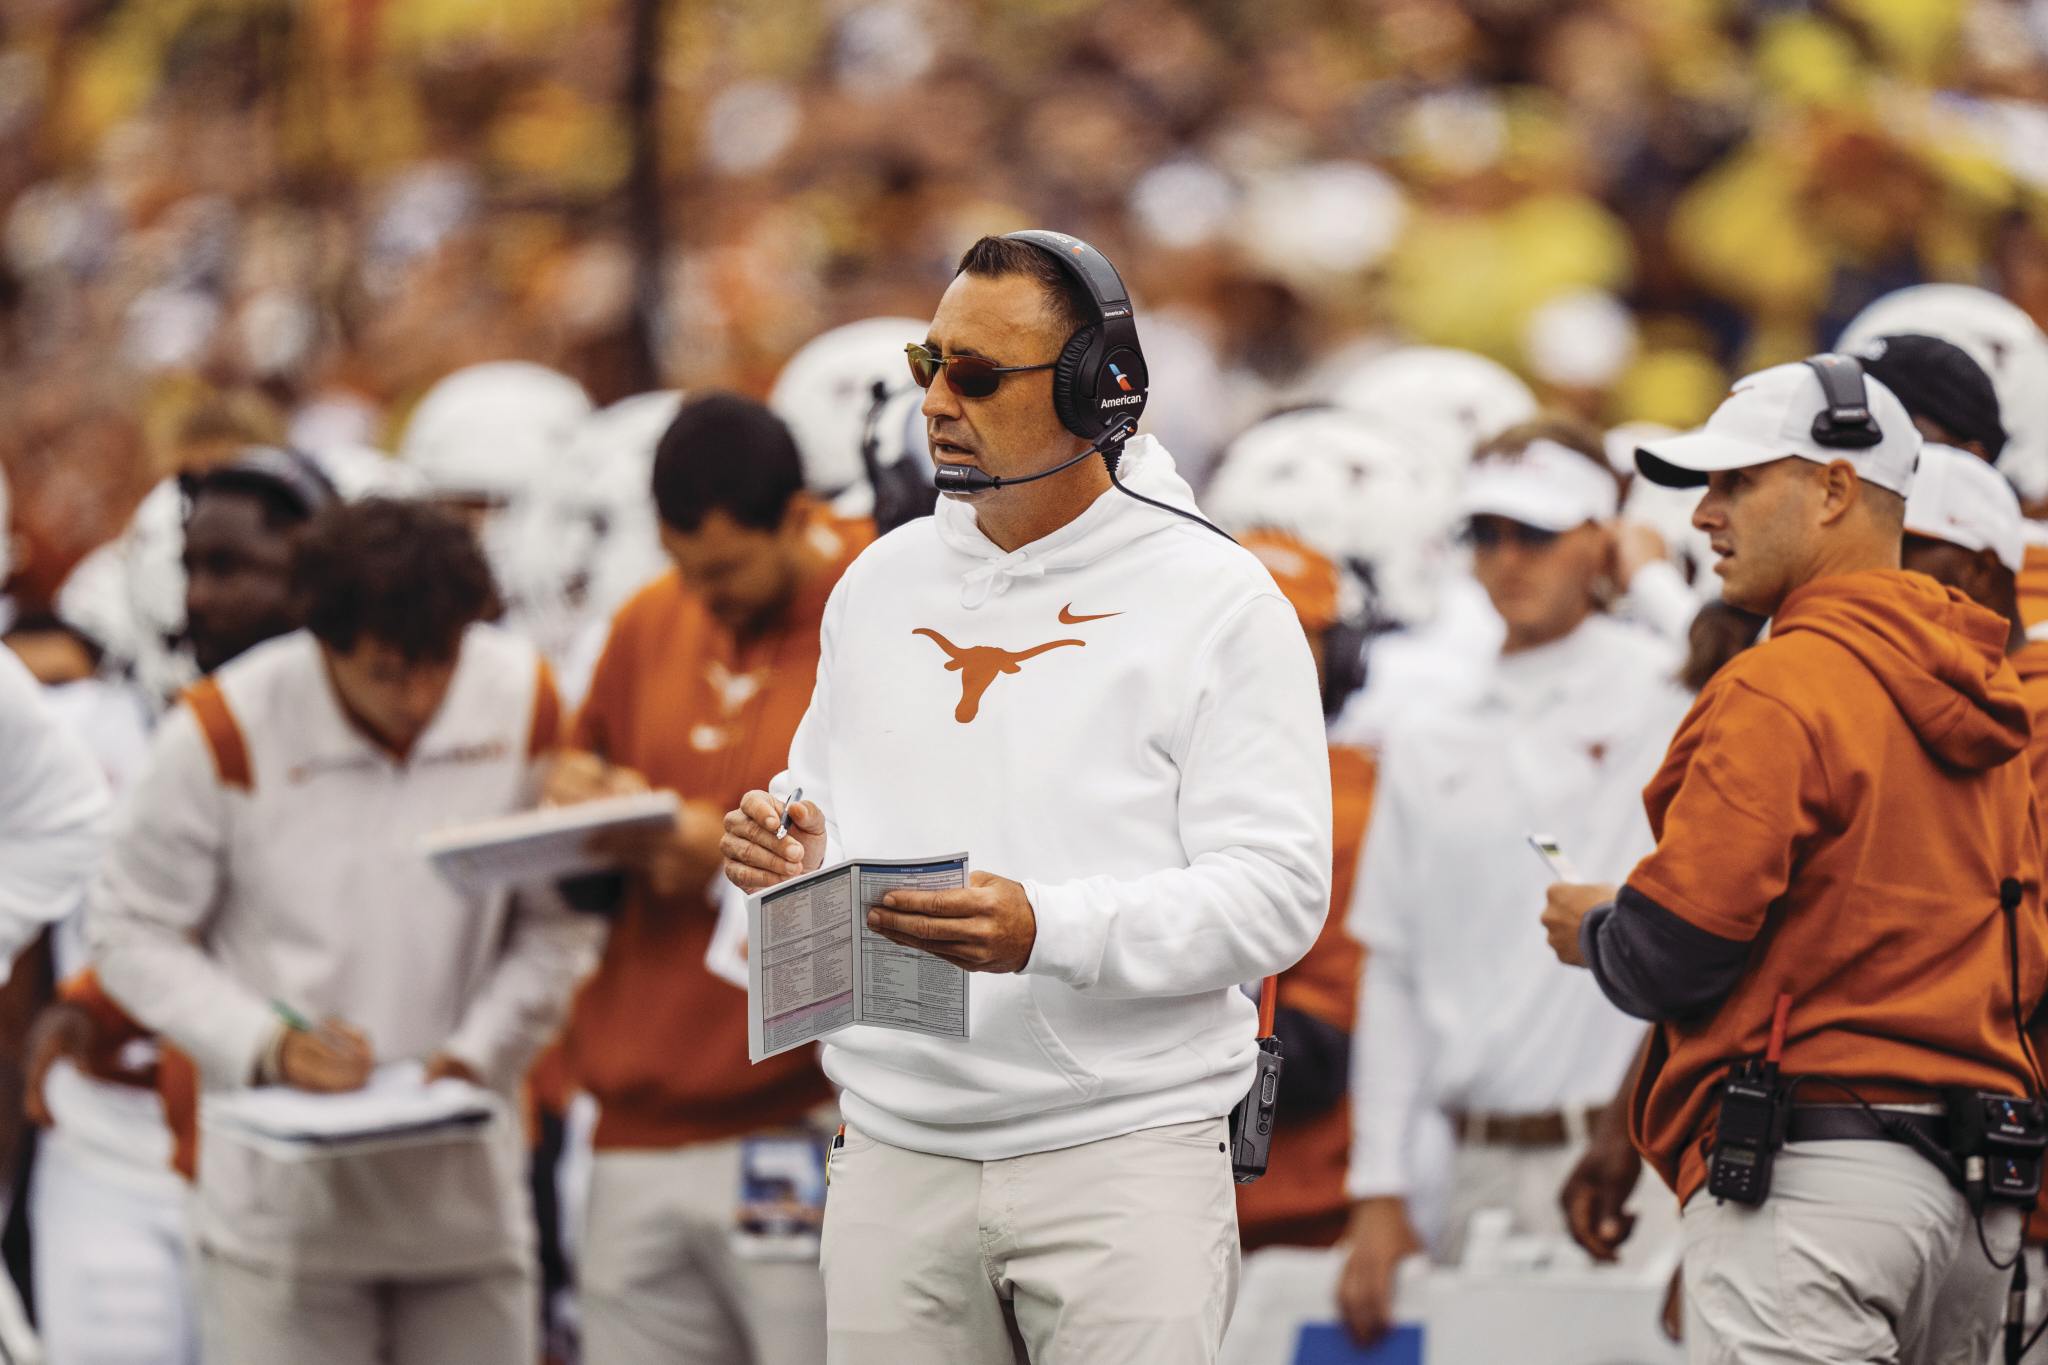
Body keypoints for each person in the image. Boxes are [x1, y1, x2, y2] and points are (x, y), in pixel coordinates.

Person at [720, 231, 1331, 1363]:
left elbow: (1278, 897)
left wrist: (1048, 930)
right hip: (893, 1153)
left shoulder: (1219, 600)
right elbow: (828, 806)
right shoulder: (879, 583)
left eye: (976, 375)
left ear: (1096, 393)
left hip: (1122, 1159)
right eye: (928, 363)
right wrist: (787, 848)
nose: (936, 402)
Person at [1541, 357, 2042, 1364]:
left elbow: (1676, 950)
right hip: (1976, 1193)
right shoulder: (1987, 688)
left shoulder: (1780, 681)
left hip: (1817, 1173)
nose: (1701, 517)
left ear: (1831, 489)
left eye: (1735, 482)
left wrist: (1596, 926)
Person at [88, 497, 602, 1365]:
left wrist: (480, 1051)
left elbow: (557, 922)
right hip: (280, 1224)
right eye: (387, 671)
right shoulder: (225, 727)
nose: (421, 695)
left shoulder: (525, 697)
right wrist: (266, 1044)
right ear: (321, 642)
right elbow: (128, 929)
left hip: (466, 1205)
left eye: (441, 663)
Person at [1334, 424, 1693, 1345]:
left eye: (1535, 532)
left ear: (1599, 538)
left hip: (1633, 1165)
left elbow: (1777, 665)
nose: (1505, 558)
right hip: (1468, 1169)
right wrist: (1378, 1190)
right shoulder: (1427, 728)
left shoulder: (1674, 694)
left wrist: (1650, 574)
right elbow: (1395, 967)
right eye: (1484, 534)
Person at [542, 392, 873, 1365]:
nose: (708, 594)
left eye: (726, 568)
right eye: (686, 569)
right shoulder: (651, 619)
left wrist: (718, 870)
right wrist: (575, 806)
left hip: (788, 1115)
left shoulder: (870, 617)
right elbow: (580, 854)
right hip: (634, 1118)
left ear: (797, 517)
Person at [24, 446, 337, 1365]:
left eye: (228, 569)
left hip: (300, 1154)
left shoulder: (358, 728)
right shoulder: (81, 725)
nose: (200, 599)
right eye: (192, 567)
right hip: (115, 1143)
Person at [1232, 529, 1372, 1251]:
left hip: (1301, 1212)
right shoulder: (1122, 780)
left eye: (1286, 634)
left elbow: (1322, 1053)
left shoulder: (1357, 801)